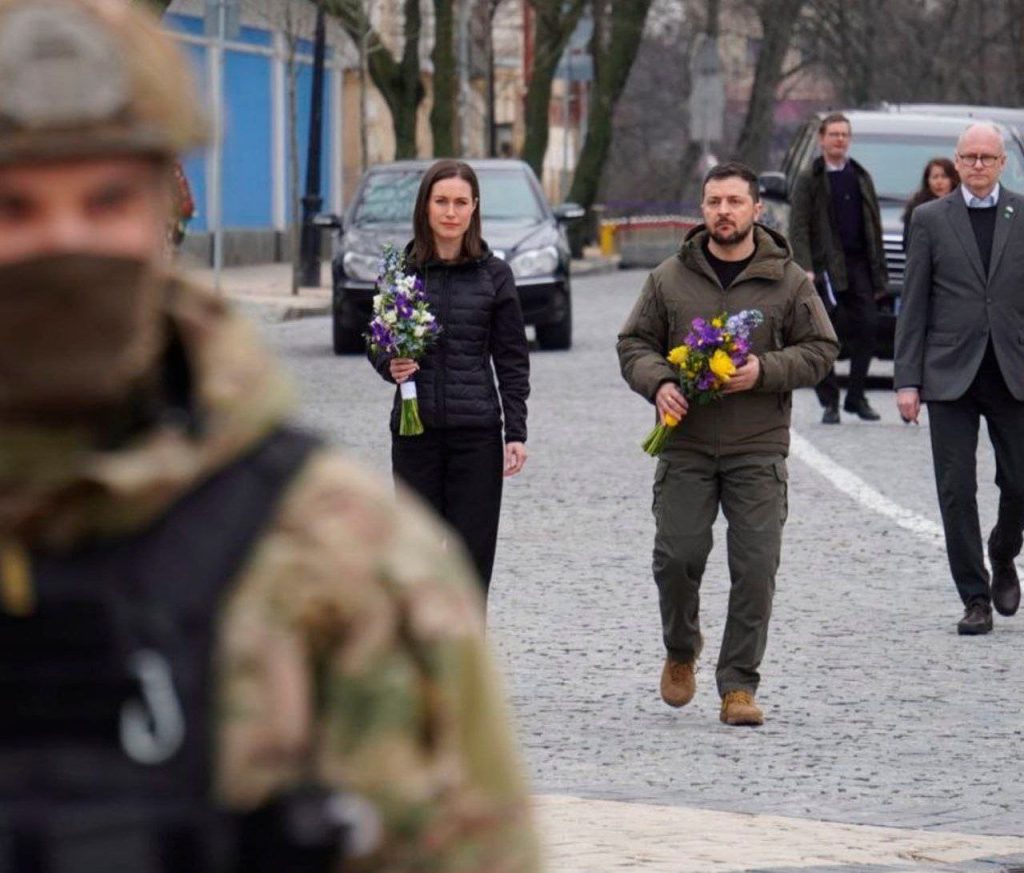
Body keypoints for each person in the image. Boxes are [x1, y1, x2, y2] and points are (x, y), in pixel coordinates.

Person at [0, 3, 541, 871]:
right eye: (14, 204)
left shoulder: (348, 562)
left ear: (163, 218)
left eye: (105, 199)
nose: (65, 242)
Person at [617, 162, 838, 726]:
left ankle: (738, 685)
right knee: (677, 558)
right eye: (714, 201)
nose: (724, 211)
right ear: (702, 208)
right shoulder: (669, 277)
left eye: (735, 202)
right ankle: (680, 648)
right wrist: (660, 383)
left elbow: (821, 349)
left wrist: (763, 370)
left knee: (756, 567)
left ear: (757, 210)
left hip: (757, 446)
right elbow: (633, 343)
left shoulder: (786, 280)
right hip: (686, 445)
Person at [370, 159, 530, 601]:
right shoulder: (400, 271)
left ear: (474, 208)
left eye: (461, 202)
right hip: (414, 433)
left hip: (475, 437)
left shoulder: (494, 275)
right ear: (425, 207)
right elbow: (376, 339)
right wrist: (390, 363)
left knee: (469, 564)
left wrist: (515, 431)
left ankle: (466, 661)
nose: (451, 211)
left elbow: (512, 359)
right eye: (441, 201)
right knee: (415, 562)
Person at [895, 122, 1024, 636]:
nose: (976, 165)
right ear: (955, 161)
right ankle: (974, 596)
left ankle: (1003, 548)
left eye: (985, 157)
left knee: (1019, 480)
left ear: (1002, 163)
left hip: (1012, 368)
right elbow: (915, 300)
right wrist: (908, 380)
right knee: (956, 488)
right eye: (967, 157)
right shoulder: (930, 219)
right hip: (949, 373)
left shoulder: (1021, 212)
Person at [789, 112, 889, 424]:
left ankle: (856, 396)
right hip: (824, 267)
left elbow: (873, 224)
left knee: (870, 326)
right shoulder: (810, 178)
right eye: (833, 134)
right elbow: (799, 225)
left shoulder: (860, 175)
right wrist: (805, 266)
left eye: (844, 134)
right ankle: (829, 401)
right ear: (822, 139)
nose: (839, 140)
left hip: (859, 264)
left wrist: (879, 271)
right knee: (822, 333)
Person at [902, 157, 959, 250]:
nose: (939, 182)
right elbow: (908, 242)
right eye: (934, 177)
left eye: (944, 176)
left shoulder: (962, 206)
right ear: (927, 180)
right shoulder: (917, 208)